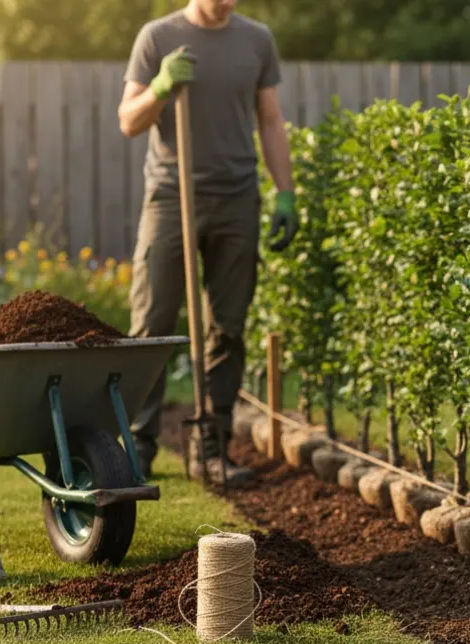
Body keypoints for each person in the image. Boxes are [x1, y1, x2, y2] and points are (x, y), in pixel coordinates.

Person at [117, 0, 298, 484]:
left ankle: (211, 448)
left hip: (237, 198)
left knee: (228, 325)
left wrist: (285, 193)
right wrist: (160, 87)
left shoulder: (257, 39)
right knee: (152, 322)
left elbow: (271, 121)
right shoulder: (157, 37)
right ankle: (136, 447)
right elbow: (128, 121)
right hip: (170, 196)